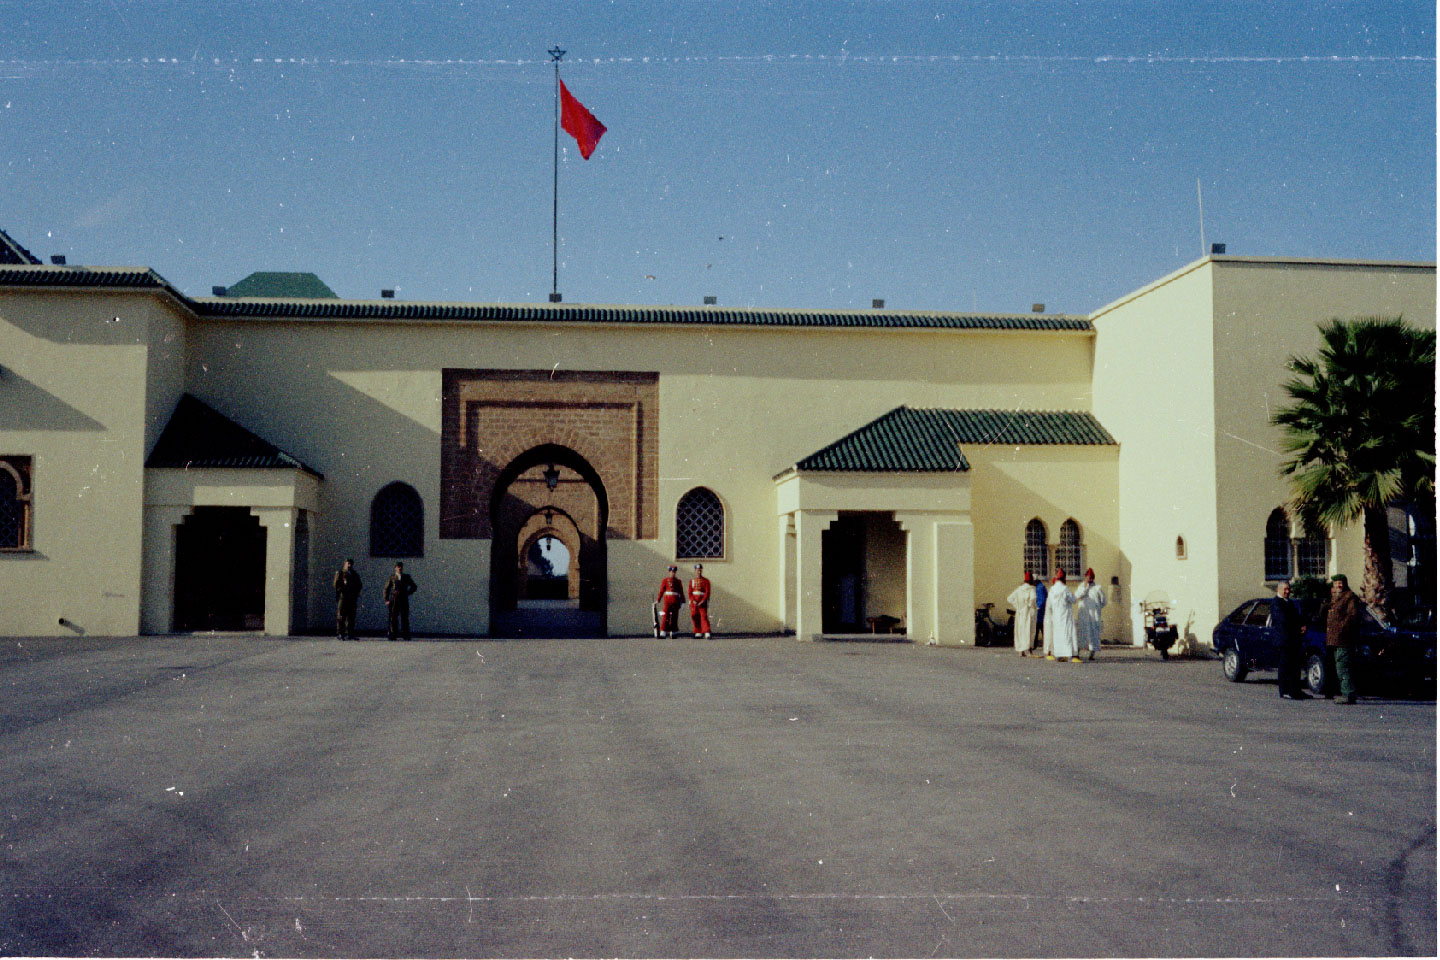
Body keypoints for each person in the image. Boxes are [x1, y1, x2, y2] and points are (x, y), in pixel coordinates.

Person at [1322, 573, 1362, 704]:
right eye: (1336, 583)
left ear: (1345, 583)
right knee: (1339, 666)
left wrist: (1341, 629)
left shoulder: (1349, 597)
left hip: (1344, 639)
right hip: (1334, 639)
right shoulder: (1336, 598)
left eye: (1341, 583)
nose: (1338, 585)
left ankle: (1348, 693)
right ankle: (1345, 692)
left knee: (1343, 666)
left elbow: (1352, 616)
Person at [1272, 580, 1309, 700]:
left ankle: (1296, 690)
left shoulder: (1290, 602)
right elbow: (1283, 620)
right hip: (1284, 640)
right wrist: (1297, 627)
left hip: (1293, 640)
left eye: (1289, 589)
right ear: (1279, 589)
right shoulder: (1276, 603)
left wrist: (1302, 624)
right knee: (1285, 666)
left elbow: (1296, 617)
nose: (1287, 591)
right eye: (1285, 589)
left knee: (1295, 667)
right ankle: (1285, 691)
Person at [1043, 567, 1079, 661]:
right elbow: (1073, 600)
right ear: (1064, 579)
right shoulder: (1065, 589)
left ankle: (1059, 654)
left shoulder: (1052, 590)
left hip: (1056, 617)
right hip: (1066, 616)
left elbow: (1049, 605)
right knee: (1069, 634)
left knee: (1057, 635)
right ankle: (1072, 654)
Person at [1073, 568, 1106, 660]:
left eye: (1090, 577)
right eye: (1087, 577)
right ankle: (1077, 652)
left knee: (1093, 634)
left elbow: (1104, 601)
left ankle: (1092, 654)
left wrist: (1097, 608)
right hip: (1083, 615)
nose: (1089, 579)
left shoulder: (1098, 588)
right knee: (1081, 633)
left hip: (1094, 616)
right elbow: (1076, 596)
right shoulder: (1081, 587)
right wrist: (1084, 587)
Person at [383, 561, 418, 641]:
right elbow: (386, 589)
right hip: (394, 599)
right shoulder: (392, 577)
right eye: (398, 566)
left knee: (404, 617)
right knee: (393, 617)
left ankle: (405, 635)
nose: (400, 568)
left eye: (401, 566)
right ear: (395, 568)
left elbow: (414, 586)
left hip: (403, 599)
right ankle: (392, 634)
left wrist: (407, 593)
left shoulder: (406, 577)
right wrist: (386, 599)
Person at [1007, 572, 1039, 657]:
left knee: (1020, 631)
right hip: (1028, 613)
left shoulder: (1019, 589)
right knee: (1029, 631)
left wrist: (1017, 605)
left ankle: (1021, 650)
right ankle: (1029, 650)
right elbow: (1033, 599)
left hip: (1020, 613)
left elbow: (1009, 598)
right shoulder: (1031, 589)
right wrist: (1028, 605)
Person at [333, 558, 362, 640]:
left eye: (350, 564)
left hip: (352, 597)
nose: (349, 565)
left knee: (351, 616)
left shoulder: (354, 574)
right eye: (348, 564)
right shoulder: (340, 573)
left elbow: (359, 584)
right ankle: (340, 633)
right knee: (341, 615)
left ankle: (350, 633)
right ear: (344, 564)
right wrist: (342, 591)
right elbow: (336, 584)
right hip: (343, 597)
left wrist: (355, 592)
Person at [656, 566, 683, 639]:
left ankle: (673, 632)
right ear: (669, 572)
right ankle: (663, 632)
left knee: (674, 617)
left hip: (675, 601)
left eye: (674, 572)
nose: (673, 573)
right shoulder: (665, 580)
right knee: (665, 617)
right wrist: (658, 599)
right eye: (671, 572)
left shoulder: (678, 581)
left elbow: (681, 592)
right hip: (667, 601)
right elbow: (661, 591)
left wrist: (683, 601)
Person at [689, 563, 712, 639]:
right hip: (694, 602)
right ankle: (697, 632)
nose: (699, 572)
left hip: (702, 602)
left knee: (703, 616)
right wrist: (693, 600)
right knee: (695, 616)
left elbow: (707, 592)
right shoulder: (692, 581)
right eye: (697, 570)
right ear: (695, 571)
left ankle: (706, 632)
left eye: (700, 570)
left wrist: (703, 601)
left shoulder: (706, 581)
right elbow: (690, 592)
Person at [1034, 575, 1049, 654]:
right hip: (1042, 613)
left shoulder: (1039, 588)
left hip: (1040, 613)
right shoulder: (1040, 586)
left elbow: (1042, 600)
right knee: (1042, 630)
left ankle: (1035, 645)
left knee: (1038, 629)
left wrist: (1037, 607)